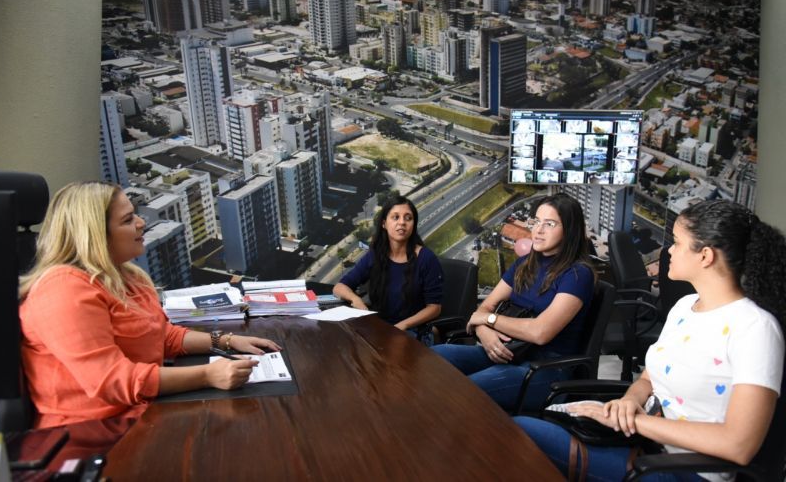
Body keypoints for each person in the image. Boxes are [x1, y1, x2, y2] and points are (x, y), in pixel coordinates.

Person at [516, 199, 786, 481]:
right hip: (644, 446)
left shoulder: (755, 327)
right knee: (520, 429)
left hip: (685, 471)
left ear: (705, 256)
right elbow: (648, 379)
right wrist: (629, 401)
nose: (669, 250)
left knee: (521, 435)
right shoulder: (685, 307)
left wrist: (636, 422)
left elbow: (738, 445)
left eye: (677, 243)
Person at [20, 182, 282, 428]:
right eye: (127, 220)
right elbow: (111, 381)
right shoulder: (63, 289)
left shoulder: (126, 276)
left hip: (143, 411)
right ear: (94, 235)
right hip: (92, 432)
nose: (141, 223)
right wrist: (208, 375)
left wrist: (226, 341)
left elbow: (160, 335)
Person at [432, 193, 595, 411]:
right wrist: (485, 333)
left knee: (462, 391)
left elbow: (540, 332)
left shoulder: (577, 274)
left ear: (569, 229)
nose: (538, 230)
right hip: (509, 351)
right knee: (432, 358)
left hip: (544, 368)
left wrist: (488, 320)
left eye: (550, 224)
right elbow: (485, 307)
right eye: (536, 221)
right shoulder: (524, 264)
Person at [333, 195, 442, 344]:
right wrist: (356, 300)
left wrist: (403, 325)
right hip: (379, 328)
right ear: (384, 223)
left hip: (412, 332)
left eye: (408, 218)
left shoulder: (426, 259)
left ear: (413, 224)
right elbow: (340, 287)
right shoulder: (376, 255)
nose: (402, 222)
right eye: (395, 217)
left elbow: (434, 308)